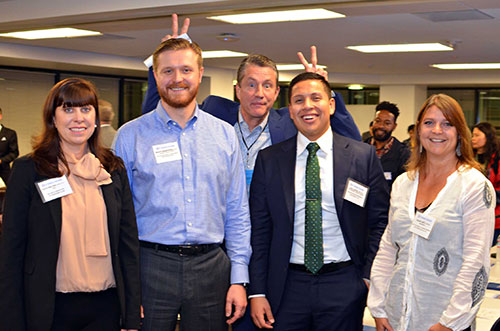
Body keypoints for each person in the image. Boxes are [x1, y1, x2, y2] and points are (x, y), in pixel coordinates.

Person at [113, 37, 250, 331]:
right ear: (156, 76)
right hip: (149, 266)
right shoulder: (129, 136)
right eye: (168, 71)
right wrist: (126, 285)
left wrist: (238, 278)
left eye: (186, 70)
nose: (177, 79)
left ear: (200, 74)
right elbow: (117, 218)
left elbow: (238, 211)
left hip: (212, 268)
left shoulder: (225, 136)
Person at [248, 72, 389, 330]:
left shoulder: (362, 156)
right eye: (299, 100)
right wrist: (257, 292)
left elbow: (380, 222)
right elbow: (259, 231)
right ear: (290, 110)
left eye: (316, 98)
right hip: (286, 286)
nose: (308, 106)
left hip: (345, 284)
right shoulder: (269, 160)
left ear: (331, 104)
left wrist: (368, 276)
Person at [0, 78, 141, 331]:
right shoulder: (29, 170)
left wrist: (131, 312)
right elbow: (11, 251)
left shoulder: (112, 169)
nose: (79, 118)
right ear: (52, 118)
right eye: (68, 109)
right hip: (49, 307)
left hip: (106, 306)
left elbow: (127, 244)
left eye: (86, 109)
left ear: (96, 118)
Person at [368, 94, 495, 331]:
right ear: (418, 130)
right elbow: (388, 248)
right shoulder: (403, 183)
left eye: (447, 124)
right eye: (429, 123)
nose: (437, 130)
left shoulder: (474, 186)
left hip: (444, 321)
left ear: (459, 132)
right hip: (396, 318)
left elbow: (476, 262)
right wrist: (378, 307)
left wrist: (449, 322)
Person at [141, 15, 361, 145]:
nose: (259, 93)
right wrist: (162, 62)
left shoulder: (289, 122)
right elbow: (157, 114)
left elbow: (350, 141)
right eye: (251, 85)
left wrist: (325, 90)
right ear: (238, 91)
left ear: (276, 93)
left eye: (267, 86)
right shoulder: (214, 111)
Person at [366, 101, 410, 190]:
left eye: (387, 123)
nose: (381, 126)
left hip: (390, 203)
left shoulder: (403, 154)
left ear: (394, 126)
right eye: (377, 121)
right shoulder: (360, 149)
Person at [472, 122, 500, 245]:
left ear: (488, 137)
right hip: (475, 214)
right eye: (472, 135)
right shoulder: (472, 157)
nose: (473, 139)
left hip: (495, 215)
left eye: (477, 135)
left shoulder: (497, 158)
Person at [0, 106, 19, 186]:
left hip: (4, 171)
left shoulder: (10, 133)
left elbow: (14, 153)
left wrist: (1, 161)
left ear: (0, 116)